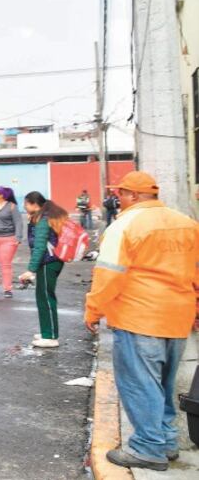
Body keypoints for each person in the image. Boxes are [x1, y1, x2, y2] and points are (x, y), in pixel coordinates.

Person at [85, 171, 199, 471]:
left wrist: (93, 310)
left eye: (121, 194)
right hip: (178, 318)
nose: (117, 199)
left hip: (140, 317)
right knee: (162, 384)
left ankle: (148, 448)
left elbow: (108, 274)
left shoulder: (124, 225)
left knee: (140, 385)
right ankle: (167, 440)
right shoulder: (187, 223)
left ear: (134, 196)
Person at [19, 192, 68, 348]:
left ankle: (51, 336)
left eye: (26, 204)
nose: (24, 207)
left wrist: (31, 270)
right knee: (42, 297)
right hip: (49, 262)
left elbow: (40, 246)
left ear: (34, 204)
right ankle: (47, 331)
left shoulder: (42, 220)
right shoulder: (43, 217)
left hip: (49, 262)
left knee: (46, 298)